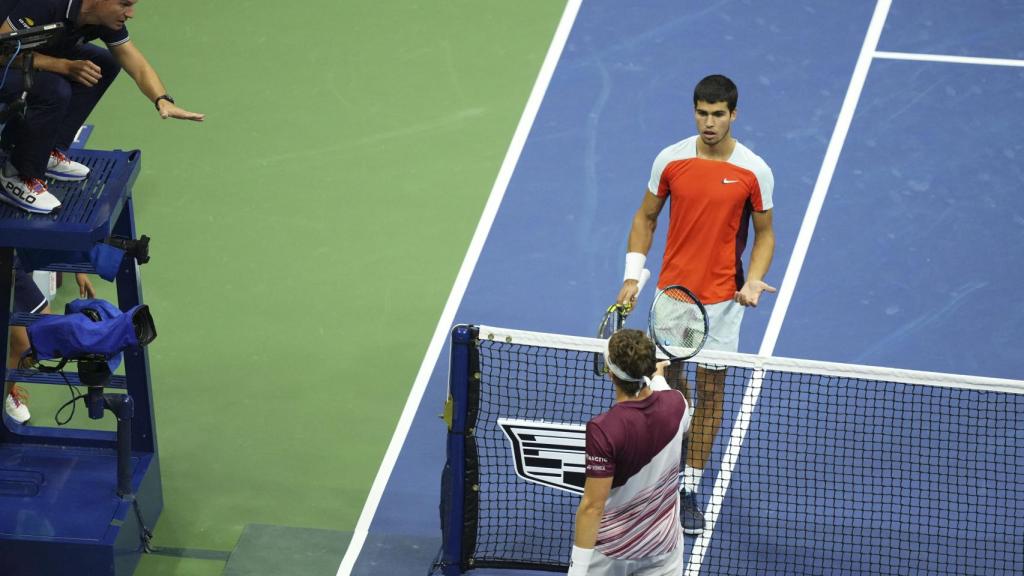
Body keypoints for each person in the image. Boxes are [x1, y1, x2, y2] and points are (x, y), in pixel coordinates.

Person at [615, 74, 776, 536]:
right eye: (702, 113)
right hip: (673, 299)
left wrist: (756, 279)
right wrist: (632, 274)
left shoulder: (753, 170)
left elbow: (764, 234)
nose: (709, 123)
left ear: (733, 114)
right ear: (694, 111)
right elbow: (645, 217)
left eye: (718, 114)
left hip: (724, 302)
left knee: (710, 397)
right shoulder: (671, 159)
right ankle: (663, 470)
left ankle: (687, 488)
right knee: (672, 392)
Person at [0, 0, 204, 214]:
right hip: (5, 54)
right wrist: (62, 66)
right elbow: (2, 51)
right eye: (124, 4)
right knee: (54, 89)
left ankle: (46, 150)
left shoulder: (102, 18)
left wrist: (161, 99)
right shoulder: (48, 4)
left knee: (105, 64)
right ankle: (17, 174)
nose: (131, 13)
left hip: (31, 50)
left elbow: (135, 62)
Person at [568, 329, 691, 576]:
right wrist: (657, 378)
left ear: (611, 374)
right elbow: (668, 399)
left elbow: (593, 506)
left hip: (613, 552)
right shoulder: (677, 404)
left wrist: (577, 569)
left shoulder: (604, 429)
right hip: (663, 547)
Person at [5, 260, 94, 423]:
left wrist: (79, 268)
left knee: (41, 332)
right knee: (25, 346)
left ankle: (6, 387)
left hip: (10, 260)